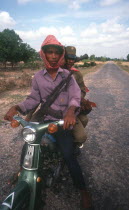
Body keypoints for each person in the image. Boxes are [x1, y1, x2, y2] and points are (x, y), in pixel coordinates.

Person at [4, 35, 93, 209]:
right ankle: (23, 172)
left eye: (56, 53)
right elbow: (33, 99)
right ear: (44, 55)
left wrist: (69, 112)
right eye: (49, 52)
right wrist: (17, 107)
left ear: (61, 55)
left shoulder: (68, 76)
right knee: (29, 144)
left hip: (62, 122)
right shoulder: (37, 77)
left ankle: (83, 191)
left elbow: (75, 97)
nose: (52, 56)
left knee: (68, 155)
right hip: (44, 120)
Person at [64, 46, 89, 146]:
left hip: (72, 106)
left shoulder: (77, 74)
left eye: (72, 59)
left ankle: (73, 144)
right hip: (56, 107)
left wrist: (78, 97)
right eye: (68, 58)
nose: (70, 61)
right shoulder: (55, 71)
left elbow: (83, 90)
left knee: (84, 120)